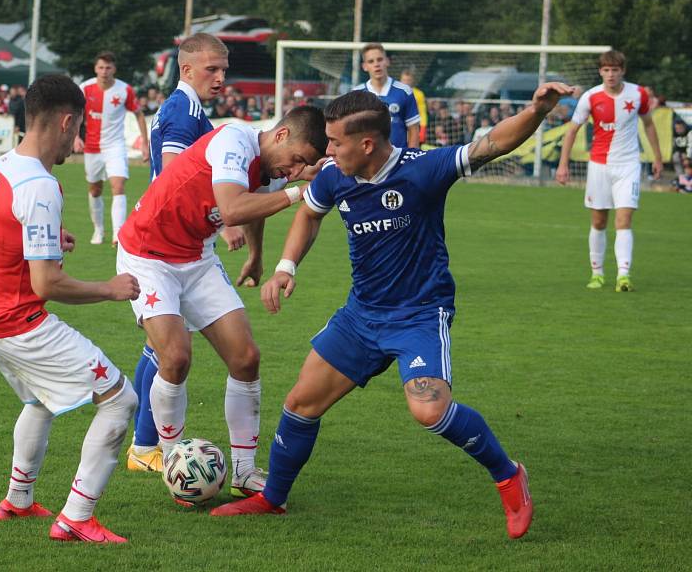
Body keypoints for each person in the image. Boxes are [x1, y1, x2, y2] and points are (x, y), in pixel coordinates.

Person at [209, 83, 574, 540]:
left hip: (419, 314)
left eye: (336, 142)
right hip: (361, 315)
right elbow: (311, 213)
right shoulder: (333, 175)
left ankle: (508, 475)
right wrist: (285, 267)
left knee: (429, 410)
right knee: (301, 404)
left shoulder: (423, 169)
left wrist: (538, 110)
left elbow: (492, 143)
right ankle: (273, 499)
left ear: (366, 144)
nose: (327, 150)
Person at [116, 106, 327, 502]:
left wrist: (257, 255)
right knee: (175, 357)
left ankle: (245, 472)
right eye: (298, 159)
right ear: (281, 135)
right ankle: (176, 462)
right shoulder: (234, 140)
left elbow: (255, 203)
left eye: (305, 167)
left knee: (246, 357)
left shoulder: (268, 167)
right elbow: (232, 208)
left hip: (195, 257)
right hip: (148, 256)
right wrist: (302, 191)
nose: (295, 170)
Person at [0, 74, 140, 543]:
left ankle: (18, 501)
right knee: (121, 400)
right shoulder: (41, 186)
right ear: (65, 122)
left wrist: (40, 240)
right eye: (78, 129)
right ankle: (77, 518)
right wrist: (110, 287)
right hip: (16, 322)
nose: (79, 142)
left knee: (39, 400)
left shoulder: (0, 166)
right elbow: (48, 283)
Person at [130, 32, 244, 474]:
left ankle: (144, 445)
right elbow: (179, 179)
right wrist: (227, 216)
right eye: (212, 69)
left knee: (159, 348)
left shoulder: (187, 110)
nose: (220, 77)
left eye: (224, 69)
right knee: (170, 351)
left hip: (172, 242)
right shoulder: (184, 113)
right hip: (172, 247)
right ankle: (147, 446)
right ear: (187, 69)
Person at [556, 50, 663, 292]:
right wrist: (563, 165)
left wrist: (657, 158)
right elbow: (572, 130)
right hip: (599, 167)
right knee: (599, 221)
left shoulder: (638, 94)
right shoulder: (591, 97)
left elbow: (649, 125)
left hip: (628, 166)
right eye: (606, 70)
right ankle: (597, 273)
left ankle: (623, 276)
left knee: (624, 219)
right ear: (600, 71)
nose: (610, 74)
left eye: (615, 70)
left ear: (623, 70)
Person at [75, 51, 149, 246]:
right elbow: (74, 113)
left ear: (114, 69)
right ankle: (98, 230)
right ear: (95, 69)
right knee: (95, 189)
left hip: (115, 146)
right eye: (101, 67)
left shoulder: (124, 90)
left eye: (108, 68)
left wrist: (145, 144)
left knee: (118, 185)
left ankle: (118, 233)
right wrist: (75, 137)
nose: (104, 71)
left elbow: (139, 115)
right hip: (92, 148)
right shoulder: (85, 88)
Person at [353, 43, 420, 149]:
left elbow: (414, 128)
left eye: (380, 59)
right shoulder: (356, 94)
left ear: (387, 61)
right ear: (364, 66)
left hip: (398, 159)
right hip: (367, 159)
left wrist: (413, 157)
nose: (376, 64)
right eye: (371, 61)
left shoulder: (404, 91)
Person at [399, 69, 427, 145]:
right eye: (404, 80)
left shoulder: (419, 94)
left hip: (413, 126)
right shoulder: (396, 94)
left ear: (412, 81)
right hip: (399, 127)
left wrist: (423, 129)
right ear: (400, 80)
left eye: (408, 80)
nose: (406, 82)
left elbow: (422, 112)